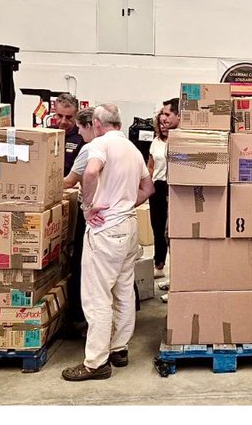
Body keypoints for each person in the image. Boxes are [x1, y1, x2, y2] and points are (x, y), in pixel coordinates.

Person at [62, 103, 152, 382]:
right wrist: (123, 205)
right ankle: (119, 349)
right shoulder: (133, 150)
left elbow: (89, 173)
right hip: (128, 227)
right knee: (124, 290)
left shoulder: (100, 144)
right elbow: (148, 188)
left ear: (98, 124)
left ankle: (96, 362)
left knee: (97, 296)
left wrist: (88, 206)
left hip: (106, 231)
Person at [63, 107, 96, 338]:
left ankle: (80, 320)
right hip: (115, 218)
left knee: (83, 267)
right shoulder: (123, 147)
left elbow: (69, 181)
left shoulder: (89, 149)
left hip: (93, 217)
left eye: (79, 127)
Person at [148, 106, 173, 275]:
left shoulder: (177, 141)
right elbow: (150, 166)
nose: (163, 126)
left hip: (171, 187)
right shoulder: (155, 142)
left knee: (169, 229)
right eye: (161, 123)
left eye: (166, 122)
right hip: (157, 186)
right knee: (157, 226)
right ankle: (159, 264)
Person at [50, 92, 84, 176]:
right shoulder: (47, 134)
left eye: (68, 117)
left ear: (76, 115)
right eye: (60, 116)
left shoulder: (83, 137)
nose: (63, 121)